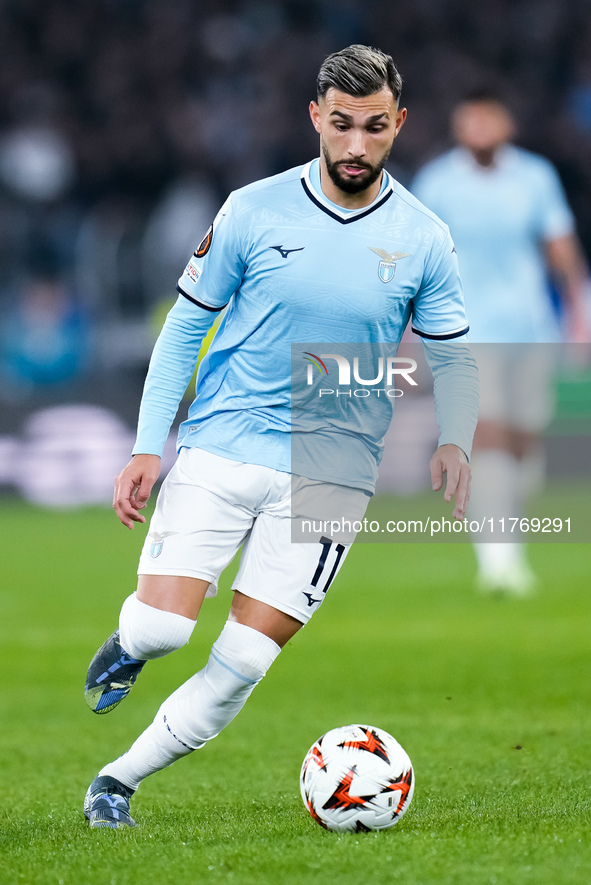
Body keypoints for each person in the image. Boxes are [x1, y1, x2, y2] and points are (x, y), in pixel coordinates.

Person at [82, 44, 479, 829]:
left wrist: (454, 437)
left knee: (243, 664)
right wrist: (145, 444)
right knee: (163, 627)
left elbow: (452, 355)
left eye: (373, 127)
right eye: (341, 125)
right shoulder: (251, 209)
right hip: (225, 443)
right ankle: (130, 640)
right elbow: (183, 328)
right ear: (315, 119)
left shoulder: (426, 236)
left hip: (333, 474)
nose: (356, 145)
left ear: (398, 124)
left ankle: (115, 783)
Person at [412, 90, 589, 596]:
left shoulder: (535, 177)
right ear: (459, 125)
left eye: (490, 117)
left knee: (524, 441)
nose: (481, 126)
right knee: (484, 434)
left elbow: (560, 250)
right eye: (471, 118)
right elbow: (415, 259)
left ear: (506, 124)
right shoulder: (438, 183)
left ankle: (508, 536)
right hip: (466, 332)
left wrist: (580, 317)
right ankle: (498, 560)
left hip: (531, 329)